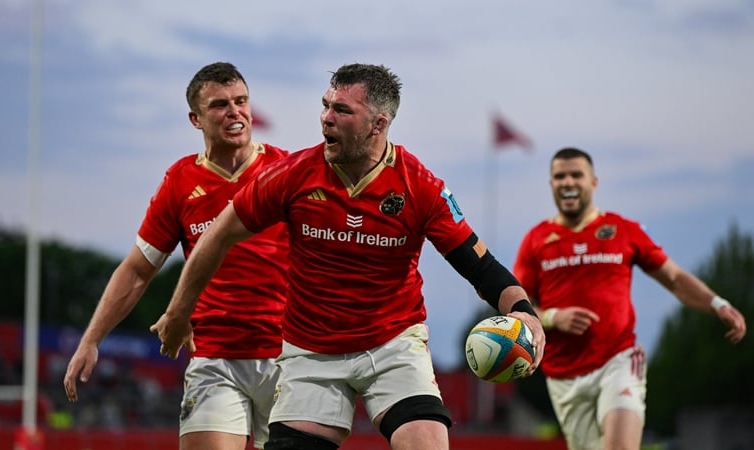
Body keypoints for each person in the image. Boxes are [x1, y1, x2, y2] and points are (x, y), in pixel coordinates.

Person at [150, 63, 545, 450]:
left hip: (392, 344)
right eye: (325, 105)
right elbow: (217, 235)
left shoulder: (420, 186)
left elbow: (478, 265)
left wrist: (524, 310)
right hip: (311, 352)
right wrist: (180, 312)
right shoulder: (293, 175)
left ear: (379, 124)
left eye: (341, 110)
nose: (325, 119)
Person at [62, 62, 290, 450]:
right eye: (220, 104)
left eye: (241, 101)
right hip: (215, 359)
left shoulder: (286, 170)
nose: (235, 112)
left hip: (290, 358)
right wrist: (91, 339)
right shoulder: (181, 182)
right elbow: (137, 270)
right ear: (195, 119)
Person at [512, 147, 747, 450]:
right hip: (564, 376)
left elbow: (674, 278)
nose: (568, 182)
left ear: (593, 182)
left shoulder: (624, 230)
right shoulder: (536, 239)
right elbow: (518, 304)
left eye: (576, 175)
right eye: (560, 176)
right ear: (551, 184)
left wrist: (719, 304)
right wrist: (553, 317)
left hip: (618, 359)